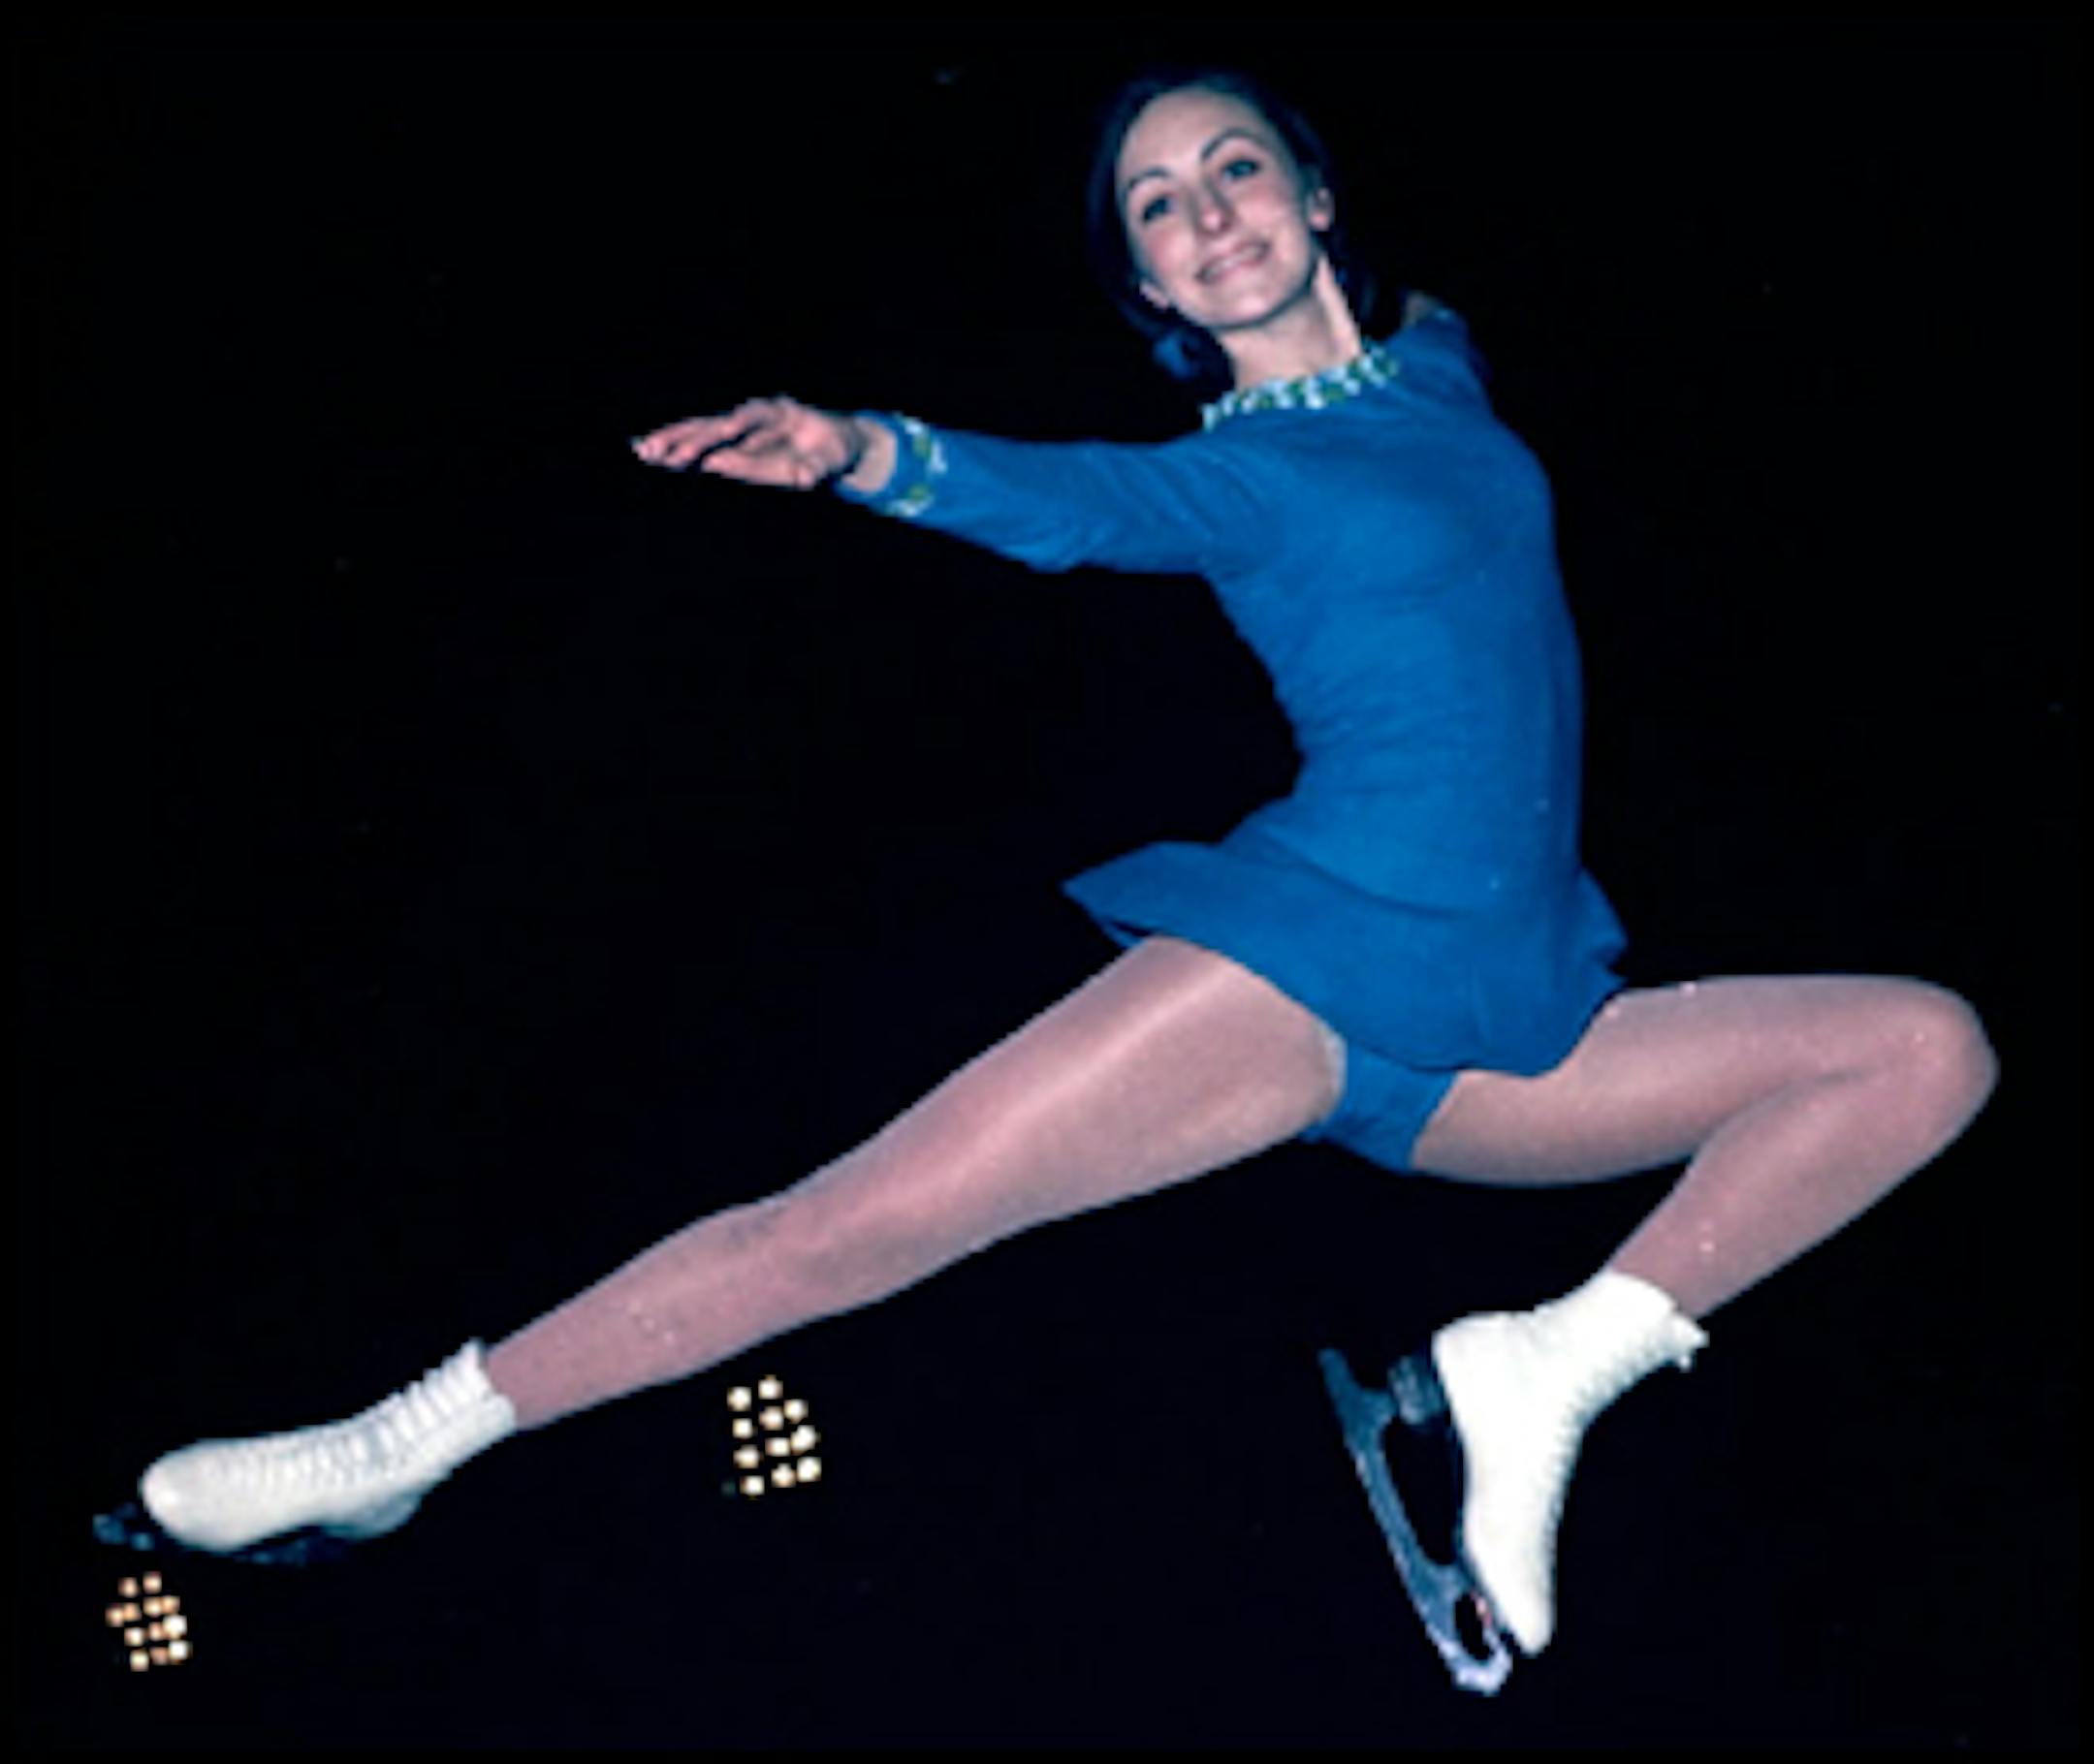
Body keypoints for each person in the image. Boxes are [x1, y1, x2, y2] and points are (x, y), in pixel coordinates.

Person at [128, 67, 1997, 1687]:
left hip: (1508, 1030)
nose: (1208, 214)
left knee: (1922, 1053)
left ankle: (1550, 1366)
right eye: (1159, 207)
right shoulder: (1236, 475)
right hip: (1317, 961)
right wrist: (864, 453)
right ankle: (396, 1443)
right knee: (853, 1228)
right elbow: (1074, 505)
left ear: (1316, 194)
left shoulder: (1438, 367)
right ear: (1150, 283)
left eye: (1236, 169)